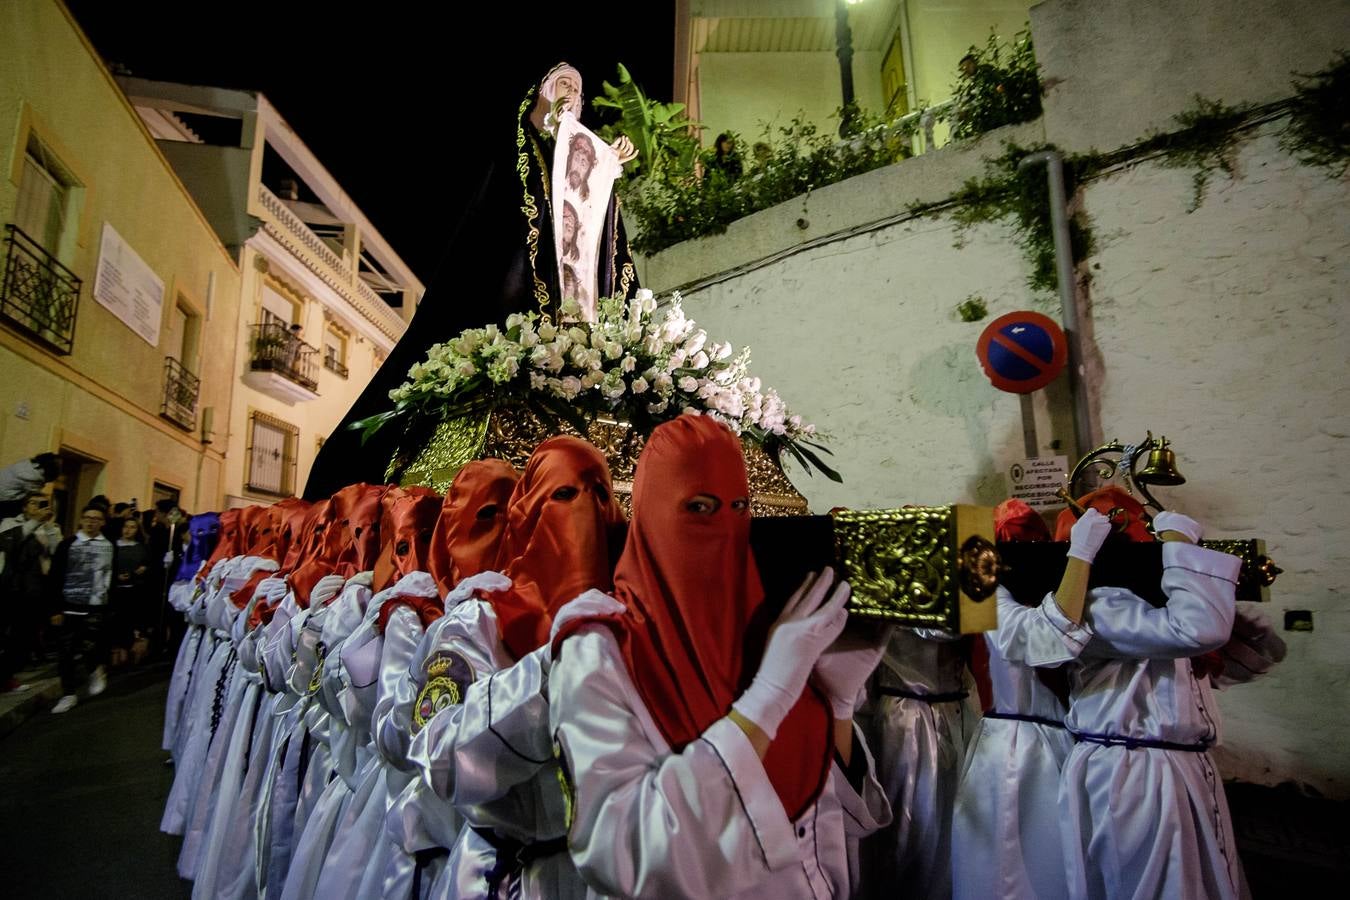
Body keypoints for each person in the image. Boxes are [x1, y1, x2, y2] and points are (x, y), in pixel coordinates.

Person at [549, 415, 891, 898]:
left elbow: (824, 824)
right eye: (700, 507)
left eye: (739, 507)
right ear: (654, 514)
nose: (725, 527)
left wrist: (835, 706)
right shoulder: (600, 648)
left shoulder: (763, 628)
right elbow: (621, 856)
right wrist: (767, 698)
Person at [304, 61, 642, 499]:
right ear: (536, 92)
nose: (571, 92)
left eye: (577, 89)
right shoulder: (516, 152)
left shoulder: (584, 158)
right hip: (514, 295)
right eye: (561, 82)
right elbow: (499, 226)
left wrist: (607, 162)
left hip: (572, 302)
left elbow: (595, 233)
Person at [1044, 488, 1246, 900]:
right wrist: (1178, 538)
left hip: (1169, 766)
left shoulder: (1149, 602)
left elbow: (1247, 657)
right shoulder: (1100, 605)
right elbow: (1197, 628)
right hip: (1136, 773)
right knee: (1153, 887)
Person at [952, 499, 1090, 900]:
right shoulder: (985, 593)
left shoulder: (1063, 591)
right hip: (1012, 741)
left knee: (1058, 860)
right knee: (1009, 864)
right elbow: (1035, 638)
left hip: (1063, 740)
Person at [48, 503, 116, 713]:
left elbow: (112, 576)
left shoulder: (110, 546)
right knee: (66, 651)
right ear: (80, 519)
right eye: (87, 517)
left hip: (96, 606)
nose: (91, 522)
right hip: (69, 604)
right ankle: (68, 694)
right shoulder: (68, 544)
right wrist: (54, 608)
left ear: (103, 522)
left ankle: (95, 669)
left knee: (91, 646)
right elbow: (55, 576)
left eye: (96, 518)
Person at [0, 492, 63, 689]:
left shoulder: (48, 528)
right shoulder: (10, 523)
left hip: (35, 591)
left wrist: (50, 526)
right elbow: (10, 544)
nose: (38, 508)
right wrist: (34, 523)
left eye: (43, 504)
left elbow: (56, 551)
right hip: (11, 589)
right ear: (24, 507)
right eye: (34, 503)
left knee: (23, 638)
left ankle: (7, 677)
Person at [111, 515, 150, 666]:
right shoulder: (114, 546)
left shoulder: (141, 548)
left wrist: (139, 571)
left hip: (134, 590)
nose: (128, 530)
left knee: (129, 621)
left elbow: (146, 565)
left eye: (132, 527)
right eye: (126, 526)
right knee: (116, 622)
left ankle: (127, 651)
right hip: (115, 590)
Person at [565, 131, 597, 201]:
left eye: (583, 164)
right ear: (570, 158)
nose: (577, 168)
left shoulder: (590, 199)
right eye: (576, 159)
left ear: (588, 170)